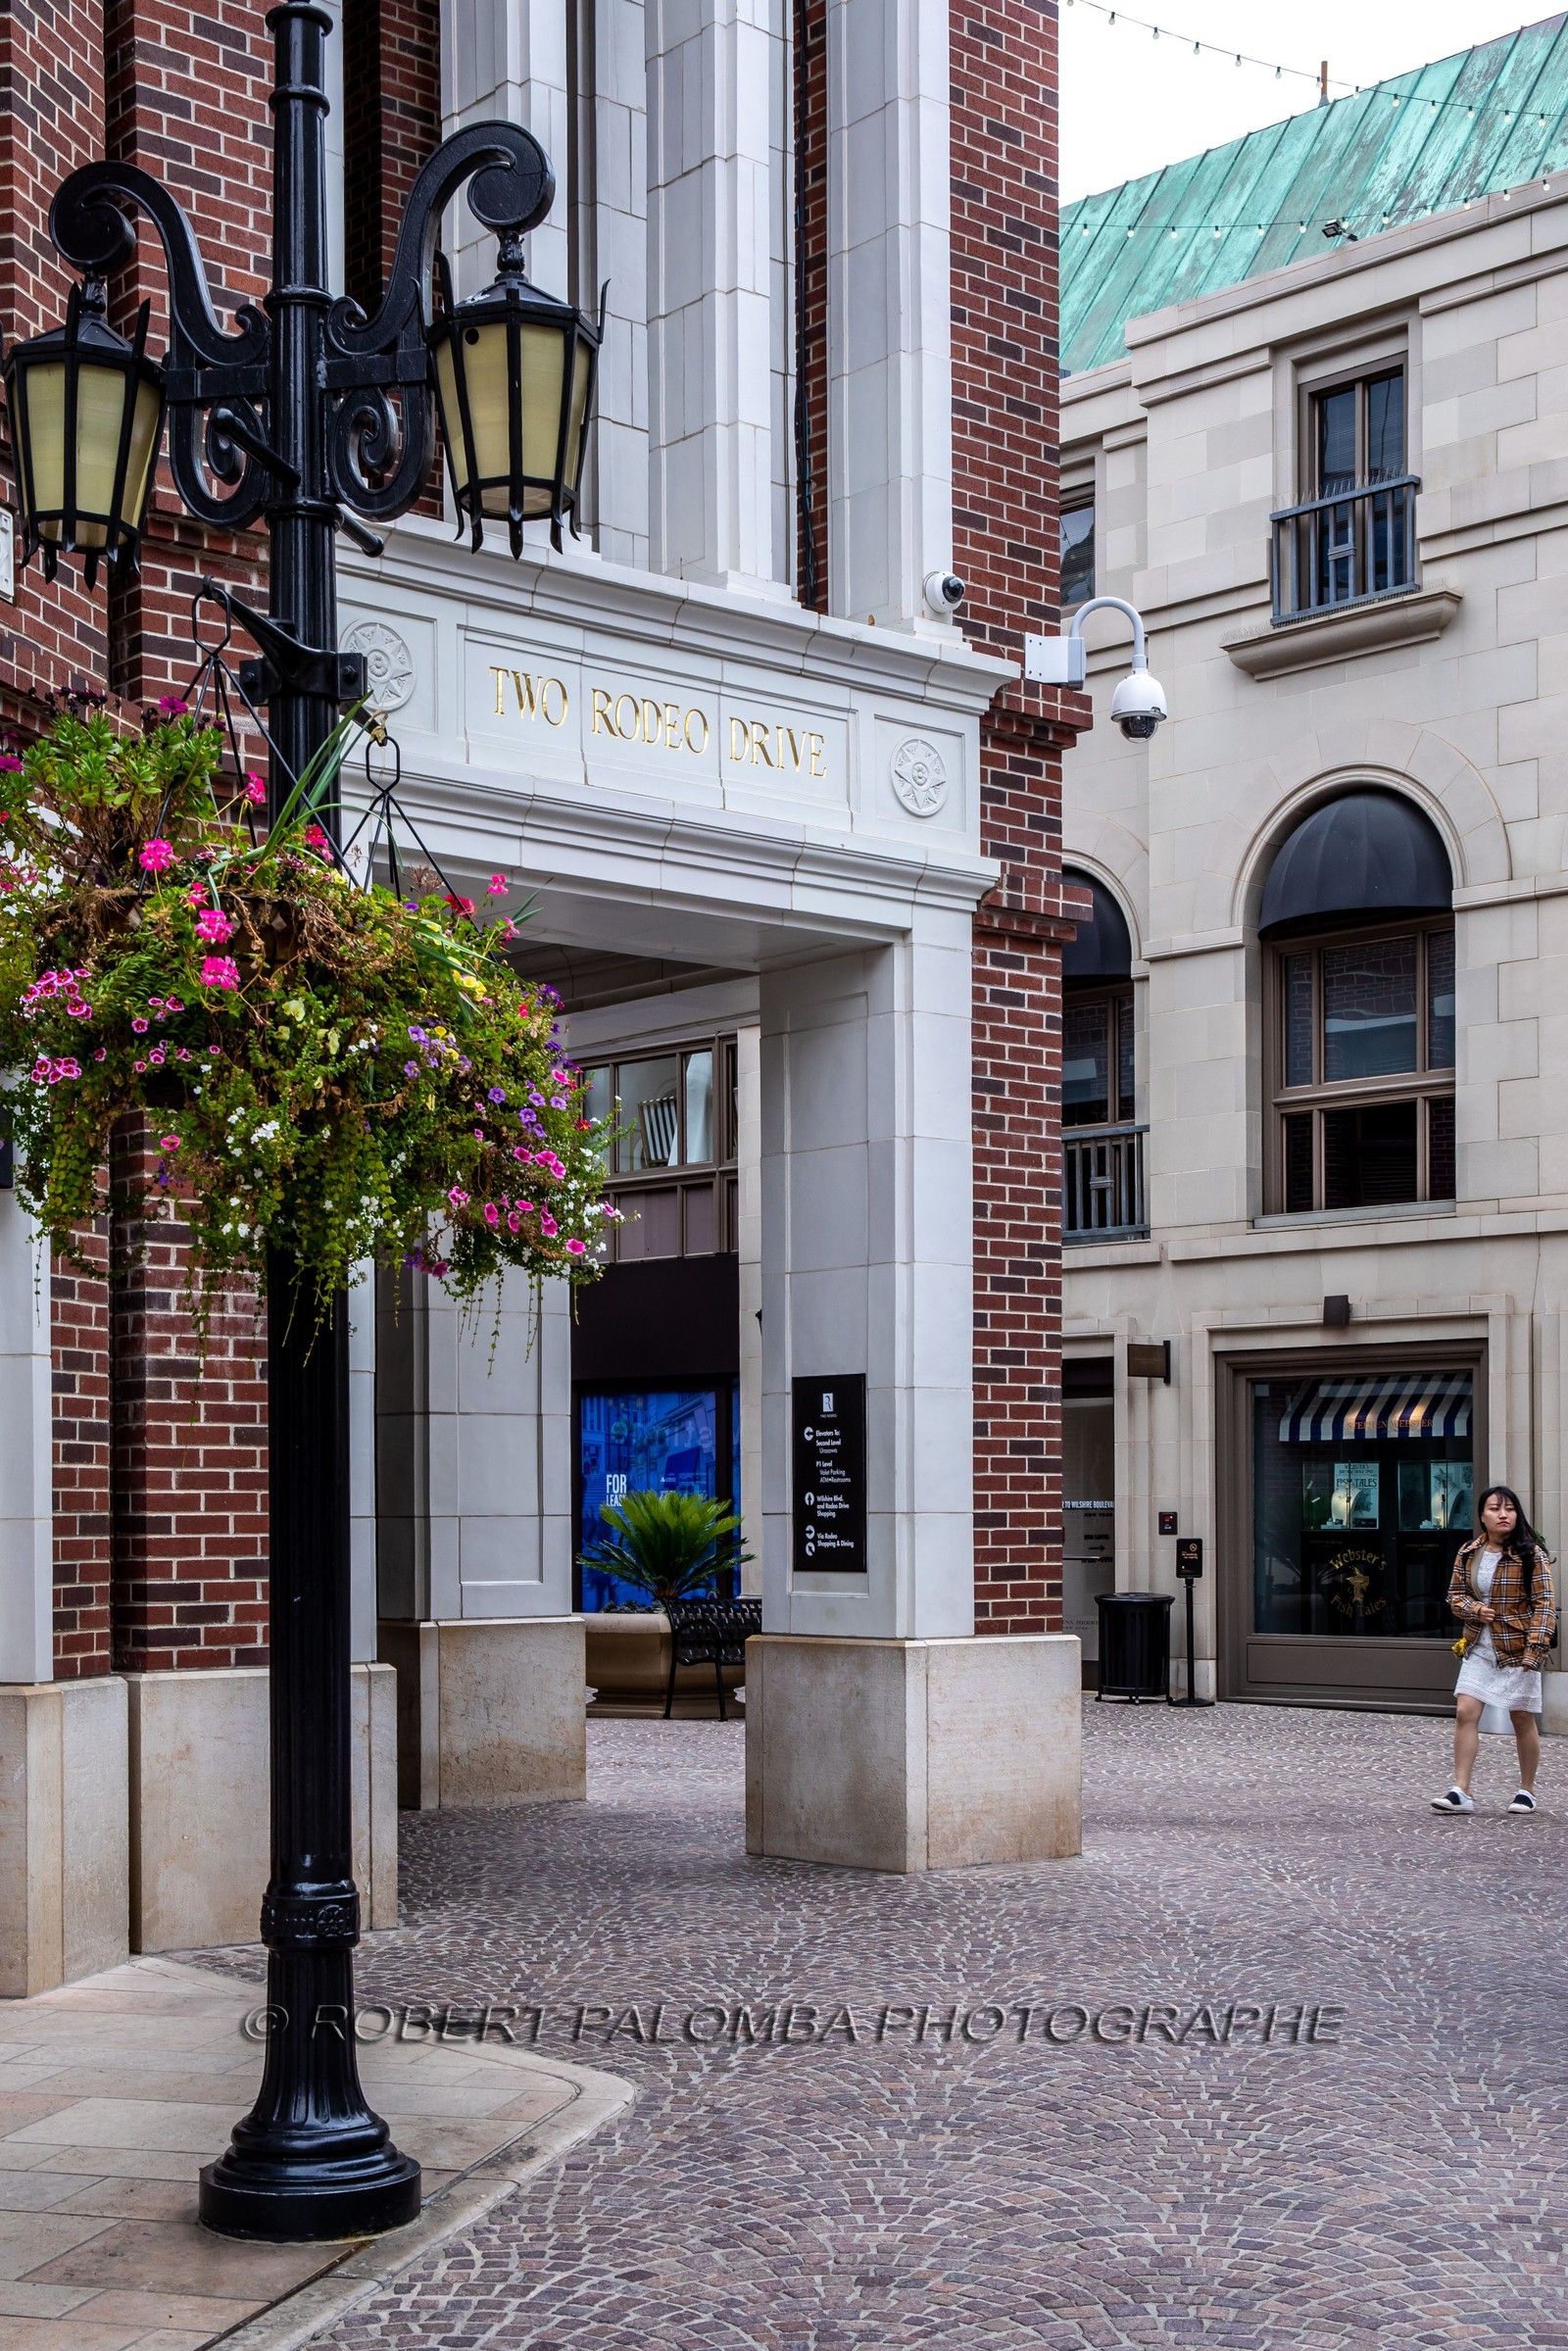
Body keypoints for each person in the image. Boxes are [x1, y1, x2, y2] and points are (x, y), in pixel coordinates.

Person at [1433, 1485, 1555, 1815]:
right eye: (1495, 1509)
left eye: (1510, 1509)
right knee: (1464, 1713)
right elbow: (1454, 1595)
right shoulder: (1469, 1551)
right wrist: (1474, 1609)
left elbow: (1545, 1605)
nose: (1503, 1515)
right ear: (1482, 1516)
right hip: (1479, 1646)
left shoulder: (1531, 1554)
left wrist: (1536, 1649)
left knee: (1521, 1718)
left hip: (1518, 1647)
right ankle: (1461, 1790)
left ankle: (1526, 1791)